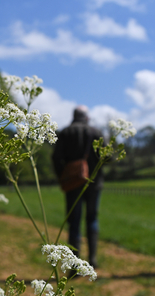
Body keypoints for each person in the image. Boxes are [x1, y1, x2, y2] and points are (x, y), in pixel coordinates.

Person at [52, 105, 104, 269]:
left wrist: (63, 177)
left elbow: (55, 158)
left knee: (74, 221)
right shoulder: (96, 132)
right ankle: (93, 260)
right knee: (92, 218)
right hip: (94, 184)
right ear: (86, 117)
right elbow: (106, 157)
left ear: (74, 116)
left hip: (73, 184)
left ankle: (74, 264)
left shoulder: (66, 132)